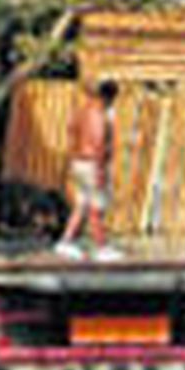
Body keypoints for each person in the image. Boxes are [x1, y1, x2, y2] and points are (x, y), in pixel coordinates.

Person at [57, 78, 121, 260]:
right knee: (96, 207)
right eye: (112, 99)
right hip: (93, 163)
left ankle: (66, 241)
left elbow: (71, 131)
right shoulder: (99, 114)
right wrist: (100, 170)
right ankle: (101, 248)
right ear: (107, 97)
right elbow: (98, 142)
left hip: (78, 162)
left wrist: (72, 158)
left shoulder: (81, 111)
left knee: (81, 205)